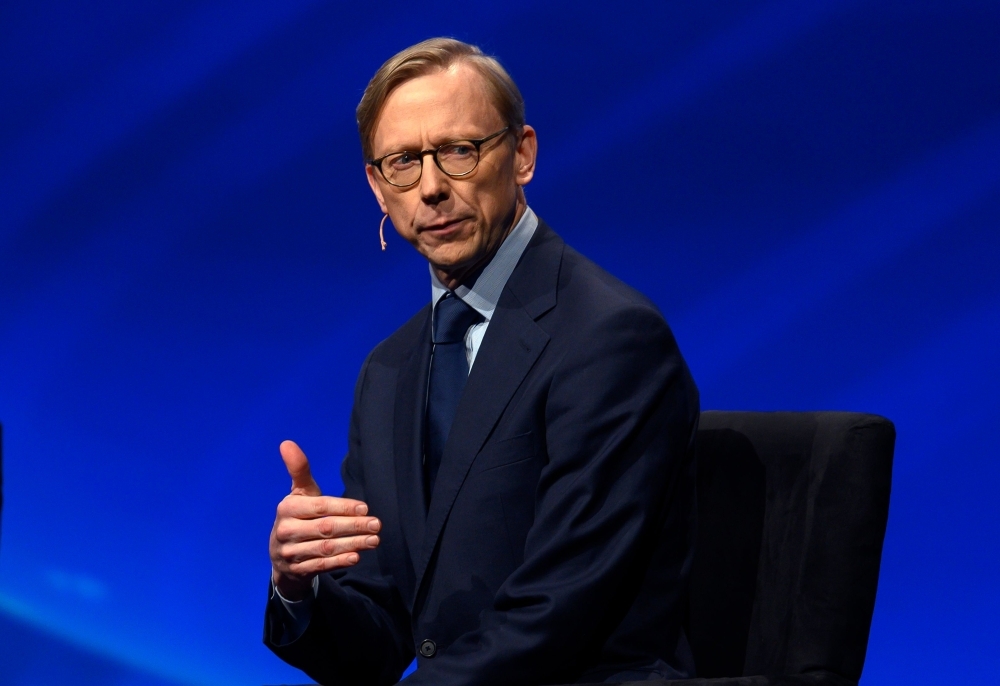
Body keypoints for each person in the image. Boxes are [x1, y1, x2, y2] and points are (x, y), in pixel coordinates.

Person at [264, 38, 699, 685]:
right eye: (403, 163)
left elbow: (559, 608)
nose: (432, 188)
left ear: (521, 154)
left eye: (459, 151)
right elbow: (380, 637)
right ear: (377, 188)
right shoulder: (389, 372)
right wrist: (299, 585)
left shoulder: (610, 337)